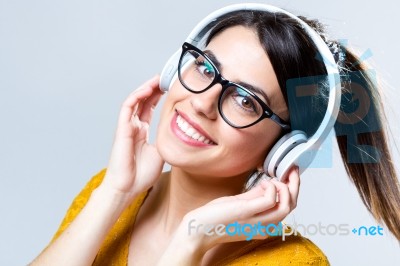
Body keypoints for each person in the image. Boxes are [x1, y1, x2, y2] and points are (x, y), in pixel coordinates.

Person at [30, 4, 400, 266]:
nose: (202, 103)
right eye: (205, 68)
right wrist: (114, 193)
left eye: (244, 99)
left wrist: (191, 242)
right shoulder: (108, 196)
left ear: (285, 150)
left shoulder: (293, 263)